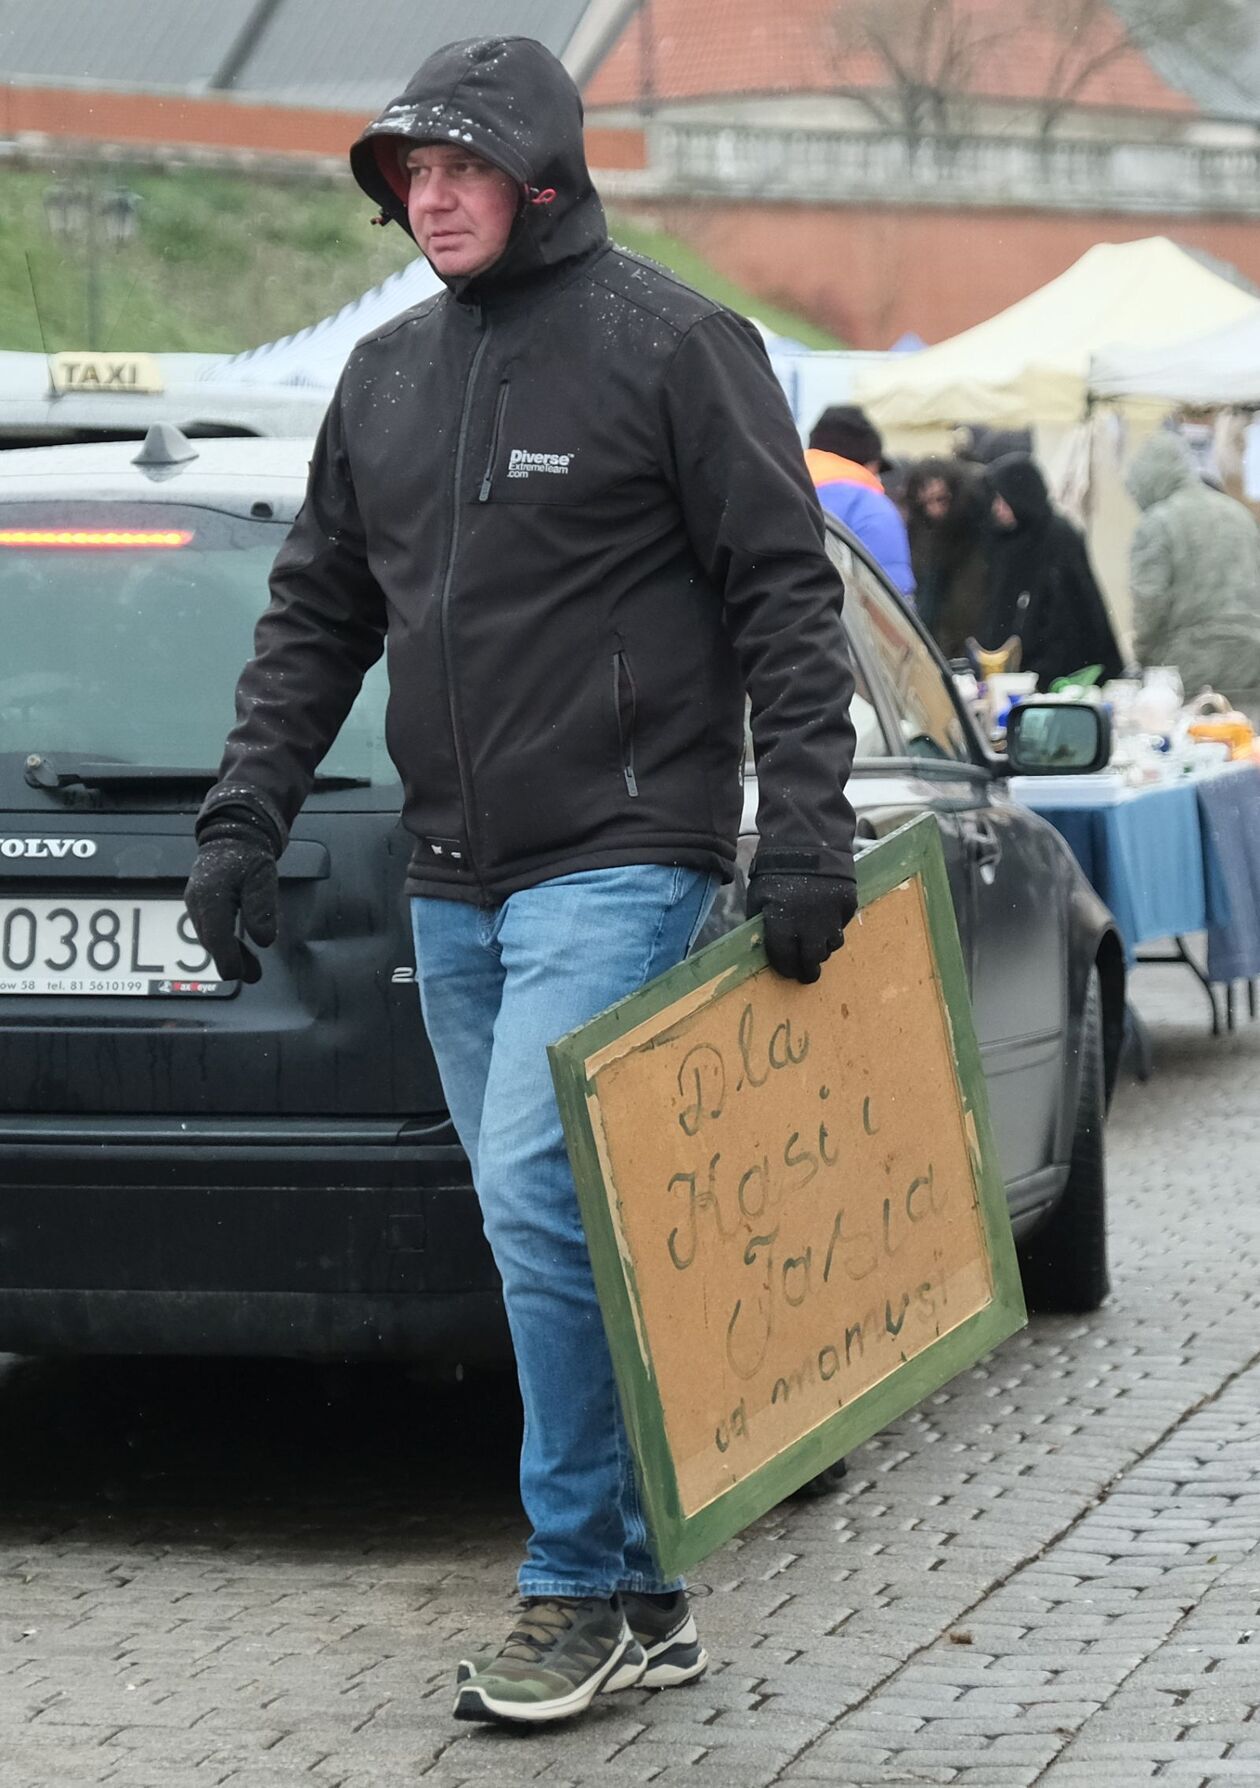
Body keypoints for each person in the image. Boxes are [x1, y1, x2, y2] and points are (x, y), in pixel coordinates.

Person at [181, 36, 858, 1732]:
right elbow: (318, 614)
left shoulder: (678, 346)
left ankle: (570, 1588)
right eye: (409, 173)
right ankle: (641, 1589)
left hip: (624, 855)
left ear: (541, 175)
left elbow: (789, 595)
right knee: (553, 1241)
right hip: (451, 876)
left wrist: (807, 837)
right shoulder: (388, 375)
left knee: (543, 1209)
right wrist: (240, 816)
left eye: (462, 167)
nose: (430, 196)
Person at [1126, 430, 1260, 715]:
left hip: (1190, 665)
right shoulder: (1239, 515)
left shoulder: (1158, 522)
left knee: (1197, 746)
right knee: (1246, 743)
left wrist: (1143, 657)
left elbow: (1149, 602)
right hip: (1252, 659)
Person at [981, 454, 1124, 689]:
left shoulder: (1058, 539)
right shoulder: (1008, 542)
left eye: (1003, 499)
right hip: (1020, 676)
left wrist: (1040, 670)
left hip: (1063, 676)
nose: (997, 508)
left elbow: (1072, 619)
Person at [805, 404, 916, 597]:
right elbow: (891, 598)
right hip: (834, 625)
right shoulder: (871, 508)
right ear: (870, 462)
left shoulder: (778, 490)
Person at [904, 457, 990, 662]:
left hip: (970, 642)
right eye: (925, 503)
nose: (934, 510)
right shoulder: (921, 535)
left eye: (941, 500)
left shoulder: (977, 536)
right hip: (941, 644)